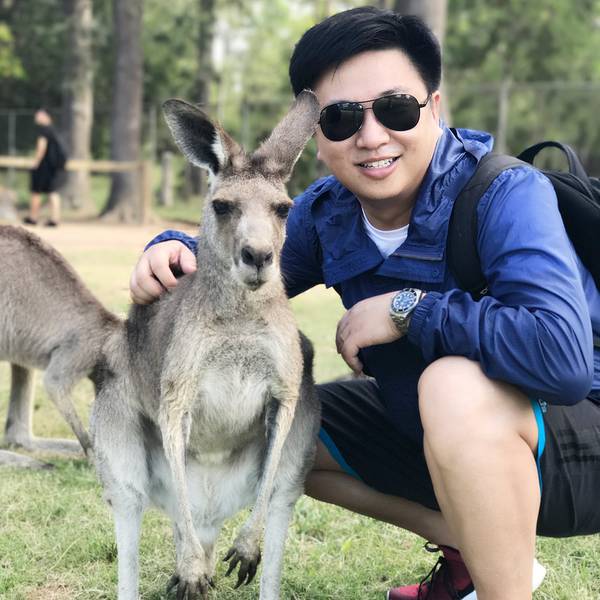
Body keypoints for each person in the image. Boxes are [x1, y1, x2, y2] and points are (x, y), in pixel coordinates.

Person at [129, 7, 600, 600]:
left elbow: (564, 359)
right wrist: (168, 251)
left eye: (396, 109)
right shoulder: (330, 213)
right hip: (435, 435)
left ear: (434, 107)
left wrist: (409, 310)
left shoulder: (505, 194)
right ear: (316, 138)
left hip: (575, 442)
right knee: (284, 429)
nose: (372, 136)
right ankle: (479, 557)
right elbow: (242, 262)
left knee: (451, 385)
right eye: (342, 117)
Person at [23, 108, 66, 227]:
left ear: (47, 116)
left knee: (36, 191)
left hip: (44, 166)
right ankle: (55, 219)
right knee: (53, 192)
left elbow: (41, 148)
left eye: (39, 115)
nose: (36, 117)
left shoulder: (44, 130)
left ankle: (33, 217)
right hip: (54, 167)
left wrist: (35, 163)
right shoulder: (54, 130)